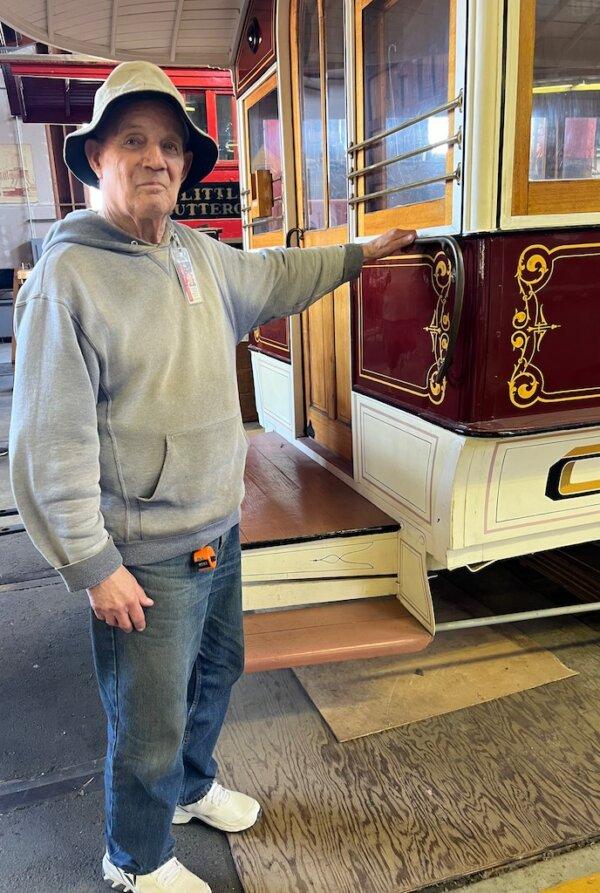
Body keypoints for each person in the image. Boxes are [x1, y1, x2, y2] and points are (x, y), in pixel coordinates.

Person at [9, 61, 416, 893]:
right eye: (133, 141)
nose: (155, 157)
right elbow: (46, 443)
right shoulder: (68, 278)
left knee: (218, 671)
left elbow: (279, 277)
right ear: (96, 159)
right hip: (140, 555)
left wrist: (360, 254)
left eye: (170, 144)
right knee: (147, 717)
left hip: (216, 529)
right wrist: (94, 565)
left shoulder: (200, 254)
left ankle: (190, 790)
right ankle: (133, 857)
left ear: (187, 165)